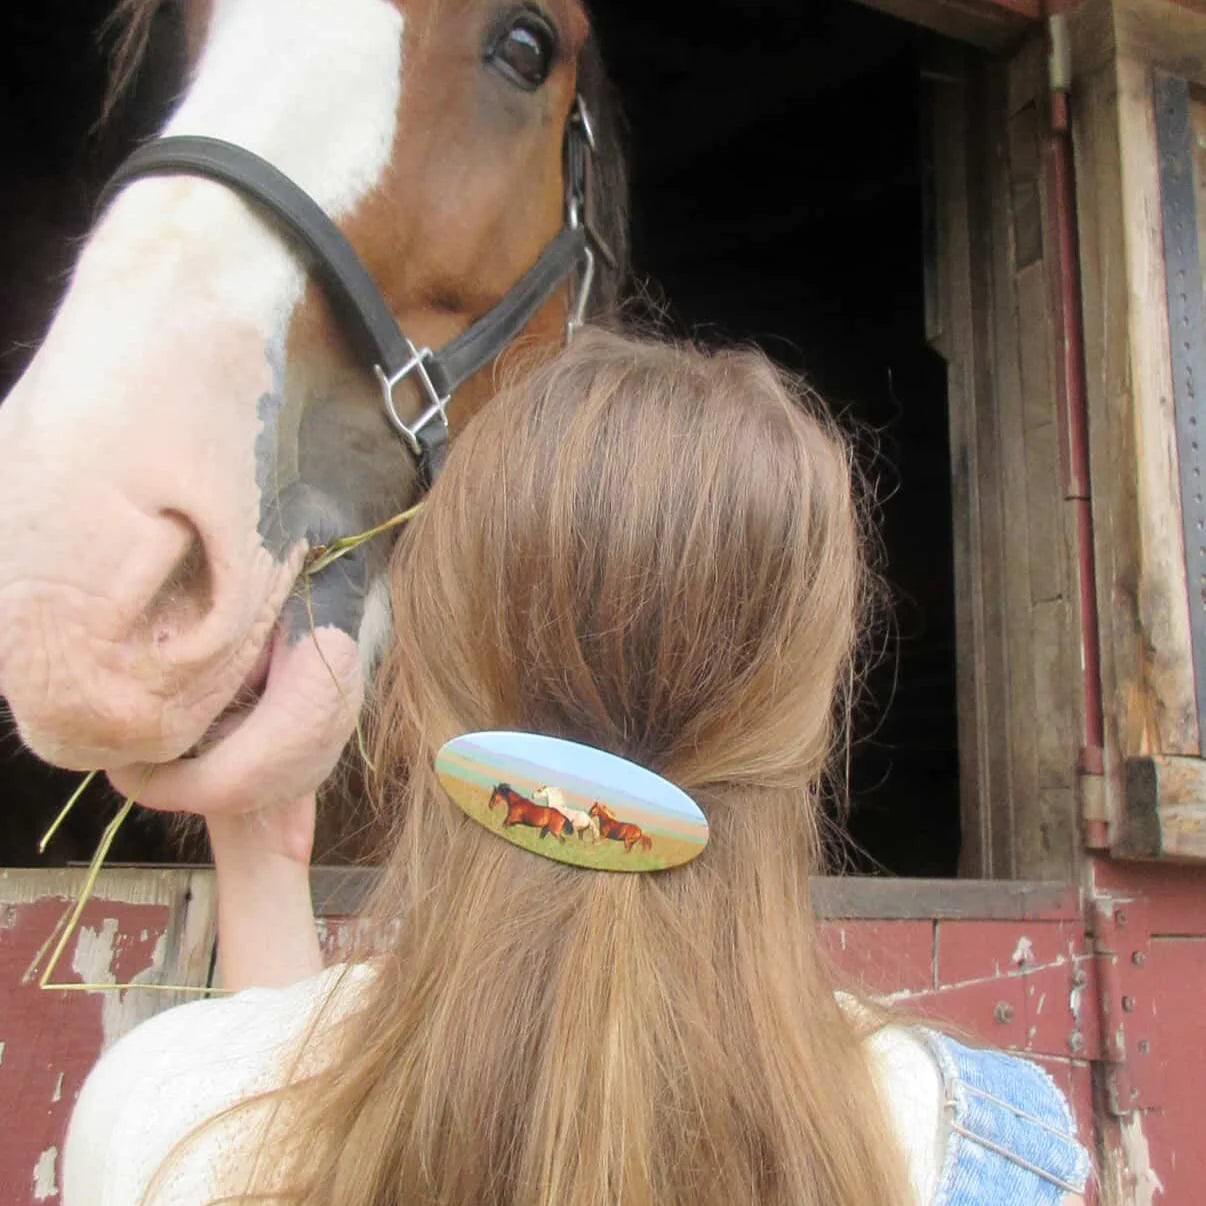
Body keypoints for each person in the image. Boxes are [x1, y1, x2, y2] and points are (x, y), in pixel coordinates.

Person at [63, 329, 1089, 1205]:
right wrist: (267, 866)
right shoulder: (988, 1146)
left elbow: (266, 1096)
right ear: (812, 725)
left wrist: (264, 864)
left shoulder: (158, 1120)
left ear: (408, 687)